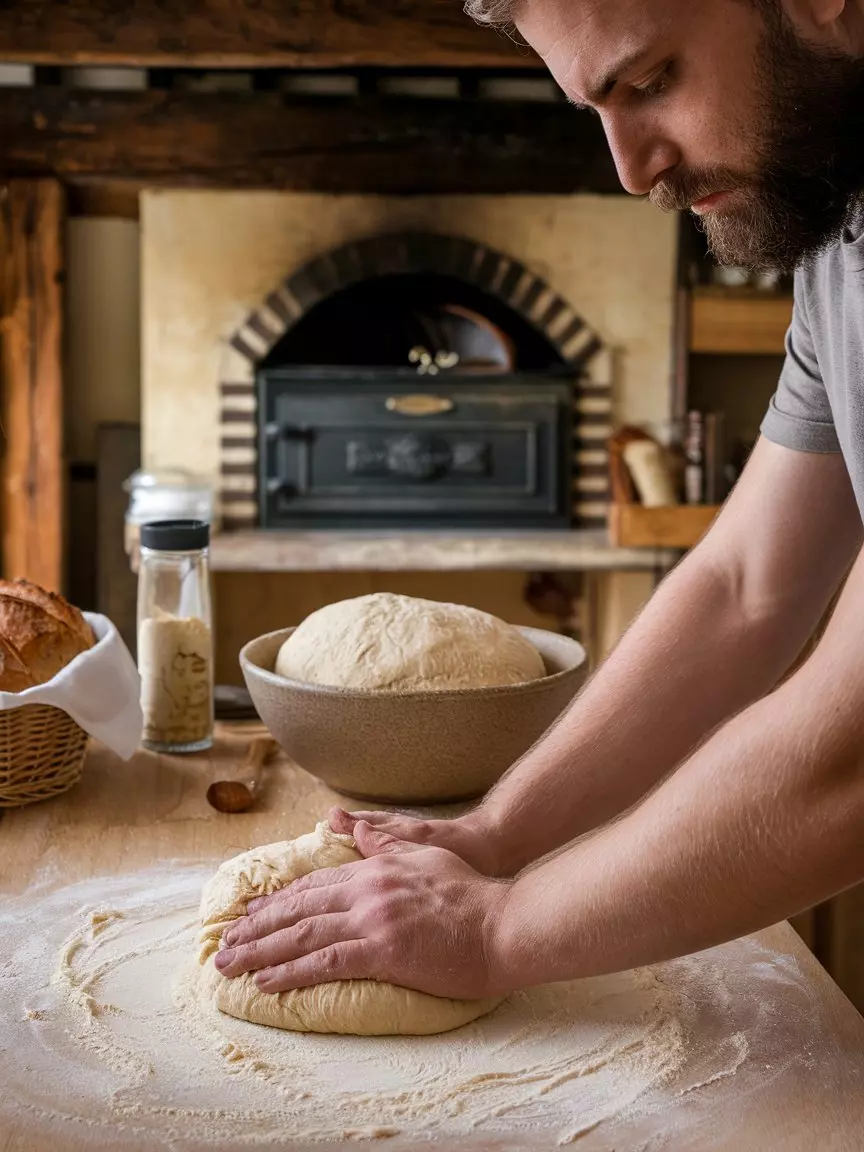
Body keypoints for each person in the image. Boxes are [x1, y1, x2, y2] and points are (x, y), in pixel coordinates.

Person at [214, 0, 864, 1001]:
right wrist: (496, 834)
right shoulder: (839, 220)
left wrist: (498, 931)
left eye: (652, 81)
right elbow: (746, 586)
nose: (633, 168)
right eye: (594, 108)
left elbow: (850, 754)